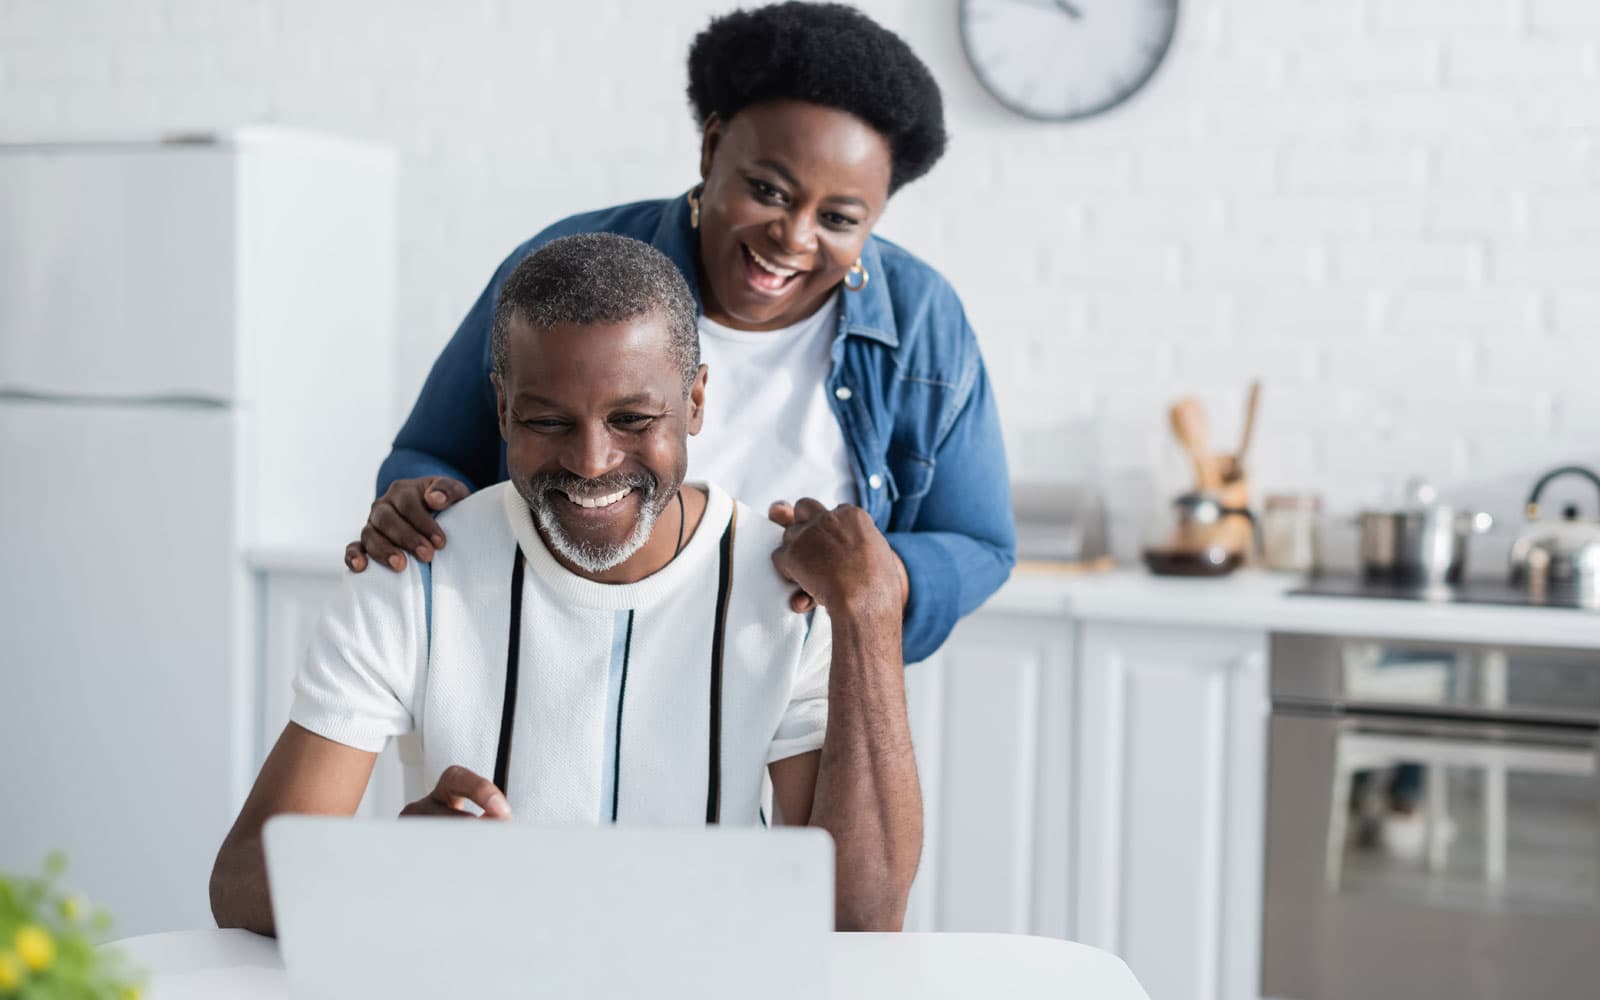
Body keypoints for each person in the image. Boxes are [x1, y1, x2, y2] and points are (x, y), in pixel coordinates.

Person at [209, 234, 921, 936]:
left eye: (633, 419)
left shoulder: (785, 592)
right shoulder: (412, 573)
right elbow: (241, 880)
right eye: (547, 420)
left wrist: (869, 614)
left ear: (696, 400)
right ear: (501, 408)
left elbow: (859, 918)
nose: (590, 461)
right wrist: (396, 864)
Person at [346, 2, 1015, 663]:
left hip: (800, 701)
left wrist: (872, 571)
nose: (794, 237)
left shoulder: (924, 318)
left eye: (839, 218)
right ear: (713, 145)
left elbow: (980, 544)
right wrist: (424, 504)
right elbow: (430, 457)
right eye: (770, 191)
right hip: (549, 666)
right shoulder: (571, 267)